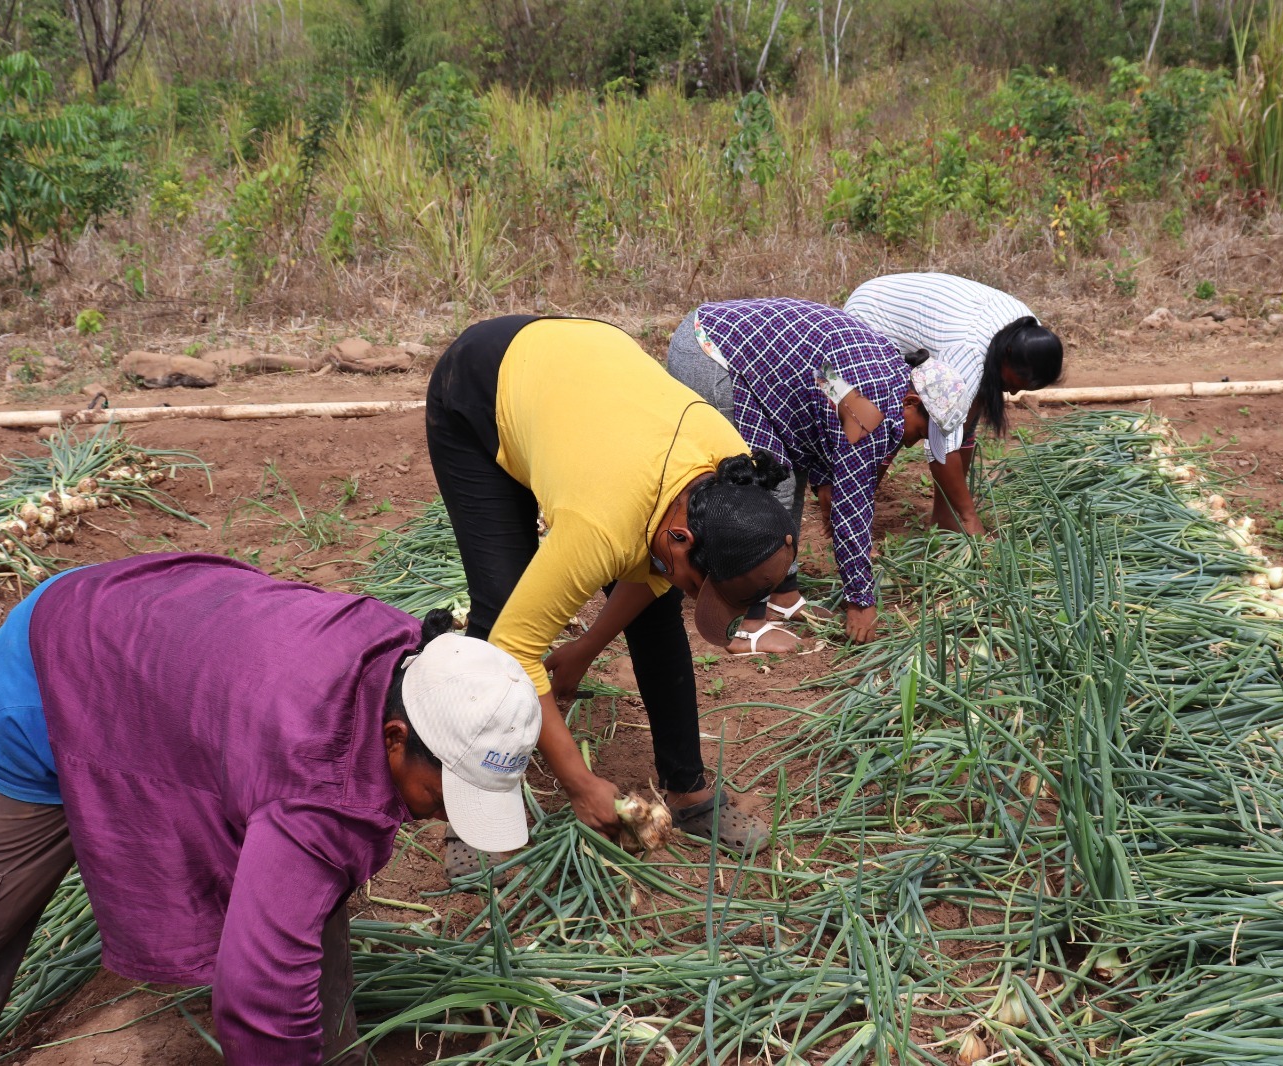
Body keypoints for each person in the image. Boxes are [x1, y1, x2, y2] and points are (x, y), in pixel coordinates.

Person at [0, 553, 542, 1066]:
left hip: (166, 663)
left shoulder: (416, 669)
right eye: (442, 797)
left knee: (304, 897)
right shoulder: (317, 777)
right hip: (56, 668)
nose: (444, 819)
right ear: (393, 738)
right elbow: (259, 1002)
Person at [425, 315, 796, 860]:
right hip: (482, 387)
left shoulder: (731, 473)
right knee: (498, 611)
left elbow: (650, 582)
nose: (701, 598)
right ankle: (477, 810)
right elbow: (515, 647)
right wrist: (578, 782)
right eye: (702, 586)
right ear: (679, 536)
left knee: (659, 615)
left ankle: (689, 790)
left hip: (580, 389)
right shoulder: (601, 522)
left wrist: (581, 650)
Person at [666, 298, 971, 653]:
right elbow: (852, 506)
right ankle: (747, 623)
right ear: (911, 403)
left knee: (788, 471)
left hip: (741, 351)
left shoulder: (887, 374)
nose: (911, 443)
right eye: (920, 432)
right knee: (761, 490)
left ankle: (782, 593)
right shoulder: (874, 407)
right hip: (712, 352)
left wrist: (826, 477)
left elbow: (820, 389)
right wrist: (860, 600)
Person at [844, 273, 1064, 534]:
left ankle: (945, 518)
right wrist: (970, 517)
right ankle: (852, 519)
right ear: (1006, 356)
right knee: (884, 422)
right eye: (1016, 383)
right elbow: (942, 443)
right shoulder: (967, 355)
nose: (1014, 393)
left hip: (938, 328)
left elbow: (957, 428)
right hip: (873, 314)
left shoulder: (1030, 335)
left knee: (959, 425)